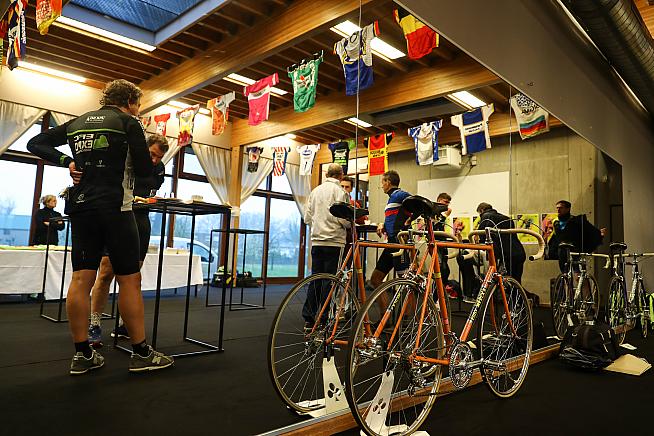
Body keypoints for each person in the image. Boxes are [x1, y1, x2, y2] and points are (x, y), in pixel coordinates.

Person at [27, 79, 173, 375]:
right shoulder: (129, 122)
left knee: (81, 278)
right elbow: (145, 172)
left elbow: (36, 143)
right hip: (117, 208)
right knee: (129, 280)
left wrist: (68, 162)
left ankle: (82, 355)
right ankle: (141, 353)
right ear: (130, 102)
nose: (139, 109)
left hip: (81, 208)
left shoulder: (78, 122)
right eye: (138, 104)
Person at [87, 133, 169, 347]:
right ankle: (94, 325)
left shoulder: (159, 169)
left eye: (159, 157)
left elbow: (151, 192)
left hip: (140, 221)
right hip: (117, 218)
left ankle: (125, 324)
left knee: (133, 278)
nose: (154, 160)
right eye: (151, 154)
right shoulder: (125, 158)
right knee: (106, 273)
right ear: (143, 148)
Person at [302, 163, 351, 328]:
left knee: (316, 279)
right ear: (341, 176)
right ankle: (324, 318)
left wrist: (319, 224)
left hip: (317, 240)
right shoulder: (341, 192)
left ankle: (309, 317)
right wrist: (351, 222)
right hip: (335, 241)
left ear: (326, 174)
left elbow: (307, 218)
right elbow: (344, 219)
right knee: (330, 281)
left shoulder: (315, 191)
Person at [367, 170, 412, 291]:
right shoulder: (392, 198)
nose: (382, 186)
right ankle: (385, 307)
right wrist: (383, 224)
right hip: (391, 243)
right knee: (375, 280)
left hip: (400, 243)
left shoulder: (399, 194)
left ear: (388, 182)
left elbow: (418, 203)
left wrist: (409, 222)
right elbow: (395, 218)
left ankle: (416, 304)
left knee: (407, 284)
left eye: (382, 182)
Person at [476, 202, 529, 285]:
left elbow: (482, 235)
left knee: (504, 282)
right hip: (518, 252)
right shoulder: (507, 218)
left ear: (482, 210)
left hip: (506, 255)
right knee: (516, 282)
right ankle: (517, 293)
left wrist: (479, 242)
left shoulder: (486, 216)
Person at [548, 200, 606, 272]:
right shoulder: (555, 221)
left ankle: (579, 277)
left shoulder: (576, 220)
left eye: (561, 208)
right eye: (557, 208)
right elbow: (555, 236)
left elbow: (588, 230)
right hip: (562, 249)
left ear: (568, 209)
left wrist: (598, 233)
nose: (558, 210)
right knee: (564, 271)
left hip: (575, 248)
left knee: (577, 271)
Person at [433, 193, 453, 290]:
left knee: (445, 270)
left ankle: (441, 294)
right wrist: (445, 215)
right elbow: (434, 225)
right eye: (445, 202)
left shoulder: (442, 214)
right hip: (435, 244)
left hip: (443, 243)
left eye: (448, 203)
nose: (446, 205)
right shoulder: (433, 211)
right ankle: (436, 295)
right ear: (439, 200)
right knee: (441, 270)